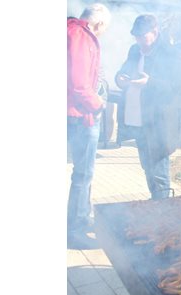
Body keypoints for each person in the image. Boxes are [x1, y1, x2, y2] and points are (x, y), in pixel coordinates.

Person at [114, 14, 181, 200]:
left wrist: (149, 82)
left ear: (155, 32)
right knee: (147, 169)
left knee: (159, 174)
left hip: (159, 124)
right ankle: (156, 207)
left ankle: (163, 213)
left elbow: (177, 86)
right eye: (136, 37)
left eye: (142, 36)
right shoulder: (134, 51)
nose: (139, 41)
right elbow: (123, 71)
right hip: (138, 121)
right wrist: (119, 78)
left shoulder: (170, 53)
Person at [67, 3, 111, 235]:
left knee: (82, 173)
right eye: (104, 30)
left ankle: (80, 219)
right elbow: (80, 84)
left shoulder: (68, 29)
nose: (102, 34)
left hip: (72, 112)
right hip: (78, 115)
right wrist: (98, 103)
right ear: (99, 23)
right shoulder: (81, 36)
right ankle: (77, 228)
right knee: (83, 174)